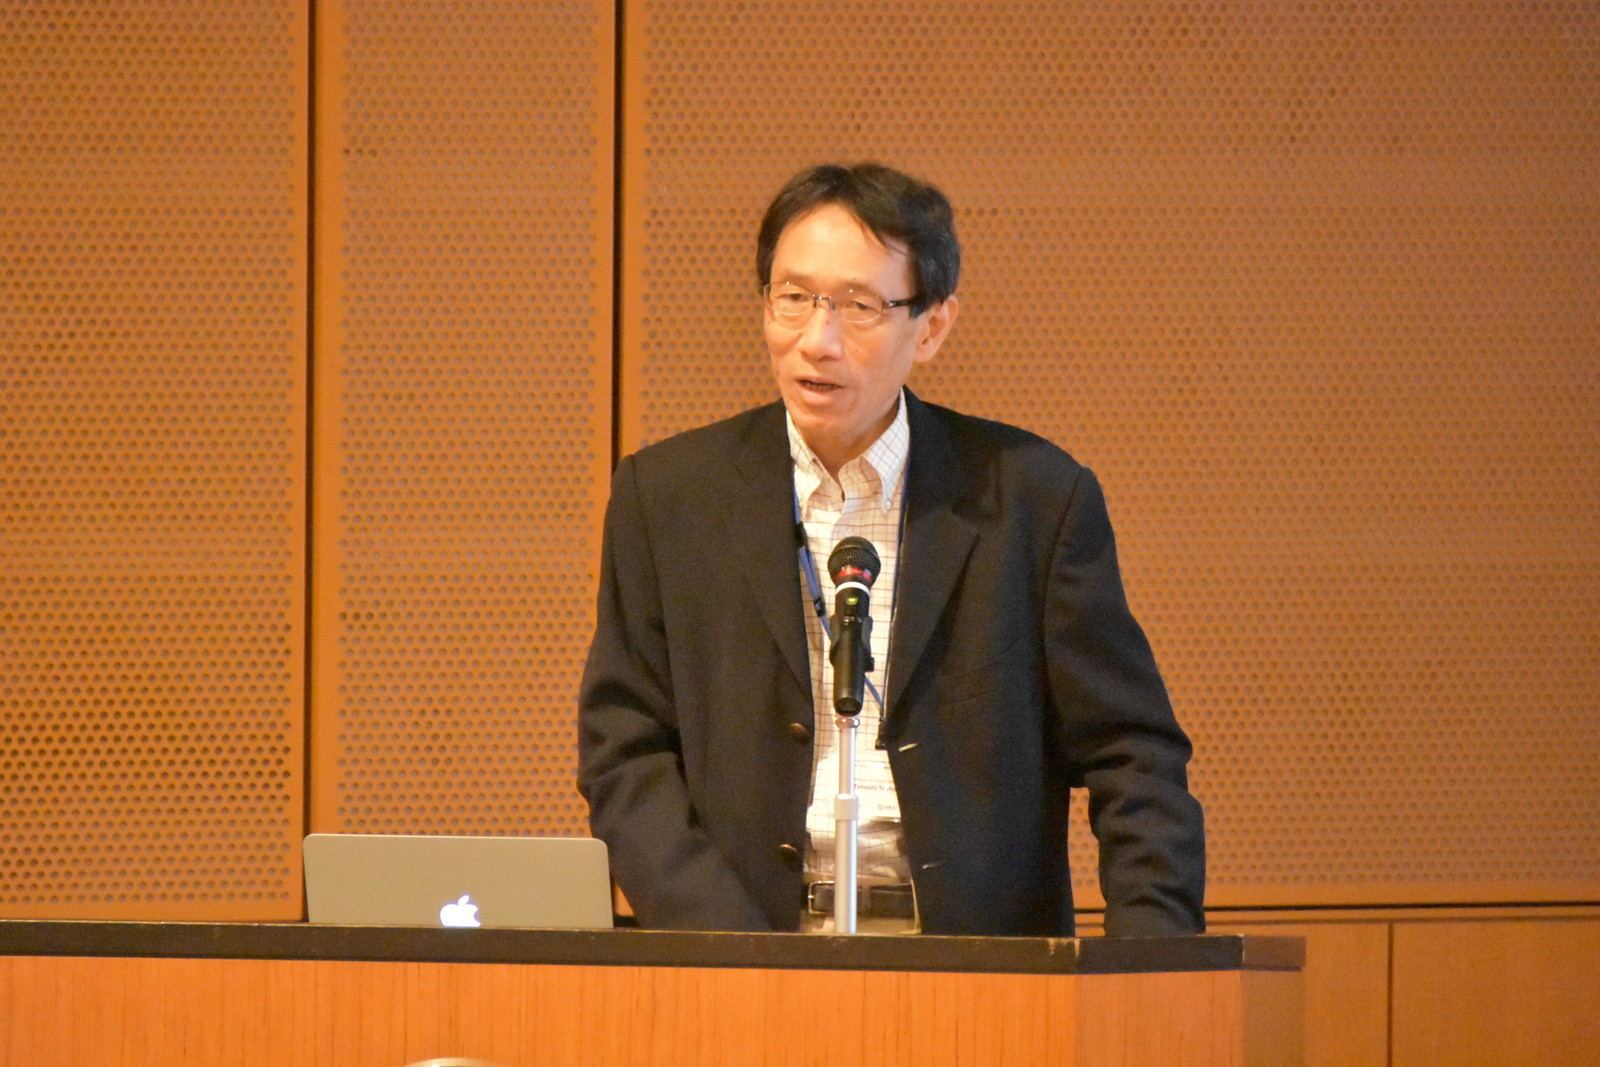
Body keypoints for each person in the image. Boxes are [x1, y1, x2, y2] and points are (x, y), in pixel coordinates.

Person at [577, 163, 1205, 936]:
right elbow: (624, 749)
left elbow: (1132, 751)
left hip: (972, 964)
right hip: (741, 952)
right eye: (794, 297)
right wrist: (727, 945)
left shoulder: (1032, 500)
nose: (818, 341)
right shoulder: (669, 498)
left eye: (859, 306)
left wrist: (1151, 958)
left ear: (932, 326)